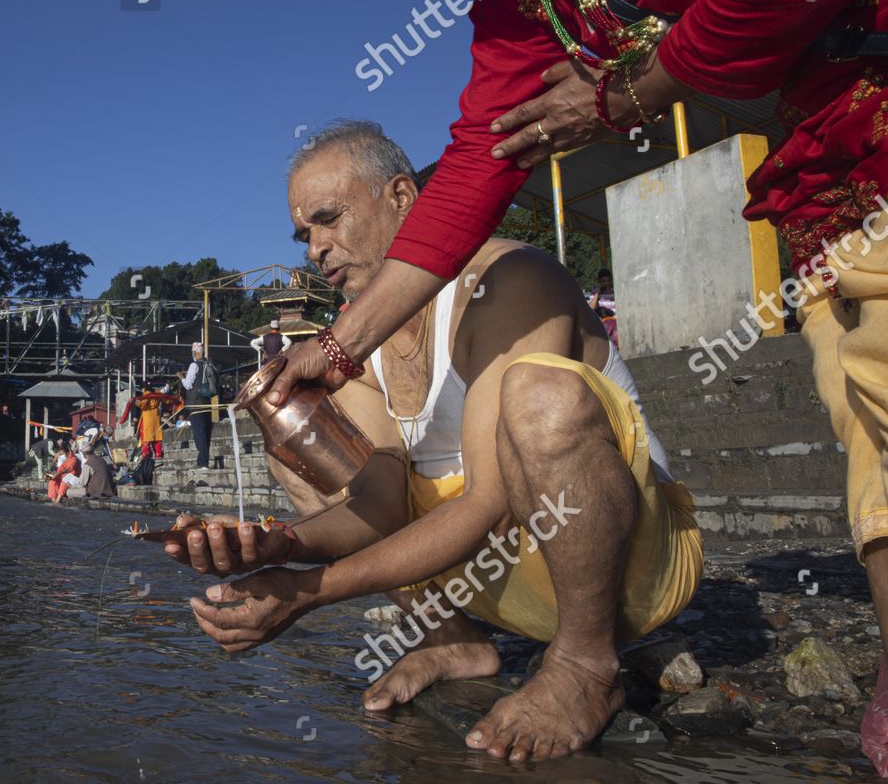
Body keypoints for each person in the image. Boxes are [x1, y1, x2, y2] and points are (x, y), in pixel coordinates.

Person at [286, 0, 888, 769]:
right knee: (858, 379)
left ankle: (586, 655)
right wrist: (340, 345)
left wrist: (632, 91)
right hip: (833, 122)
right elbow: (485, 154)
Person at [169, 123, 699, 763]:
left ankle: (586, 664)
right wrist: (279, 547)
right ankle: (452, 638)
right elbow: (381, 506)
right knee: (303, 435)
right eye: (305, 234)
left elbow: (489, 506)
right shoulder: (355, 343)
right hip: (499, 581)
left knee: (540, 395)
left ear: (401, 197)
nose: (315, 249)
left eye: (329, 220)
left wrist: (306, 592)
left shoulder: (508, 279)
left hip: (629, 571)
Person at [118, 384, 184, 467]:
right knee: (157, 438)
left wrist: (135, 401)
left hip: (147, 420)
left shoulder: (146, 395)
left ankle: (146, 455)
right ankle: (158, 454)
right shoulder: (157, 396)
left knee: (146, 439)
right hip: (156, 419)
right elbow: (167, 400)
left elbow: (142, 404)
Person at [180, 342, 220, 469]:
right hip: (207, 403)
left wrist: (181, 377)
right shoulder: (210, 364)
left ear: (195, 353)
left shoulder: (194, 365)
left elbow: (188, 385)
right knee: (206, 432)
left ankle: (203, 462)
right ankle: (203, 461)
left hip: (195, 405)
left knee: (199, 433)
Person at [587, 268, 618, 347]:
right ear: (600, 282)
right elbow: (591, 308)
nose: (607, 283)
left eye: (608, 280)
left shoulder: (616, 290)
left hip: (616, 321)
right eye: (604, 281)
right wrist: (598, 293)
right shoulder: (596, 293)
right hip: (604, 322)